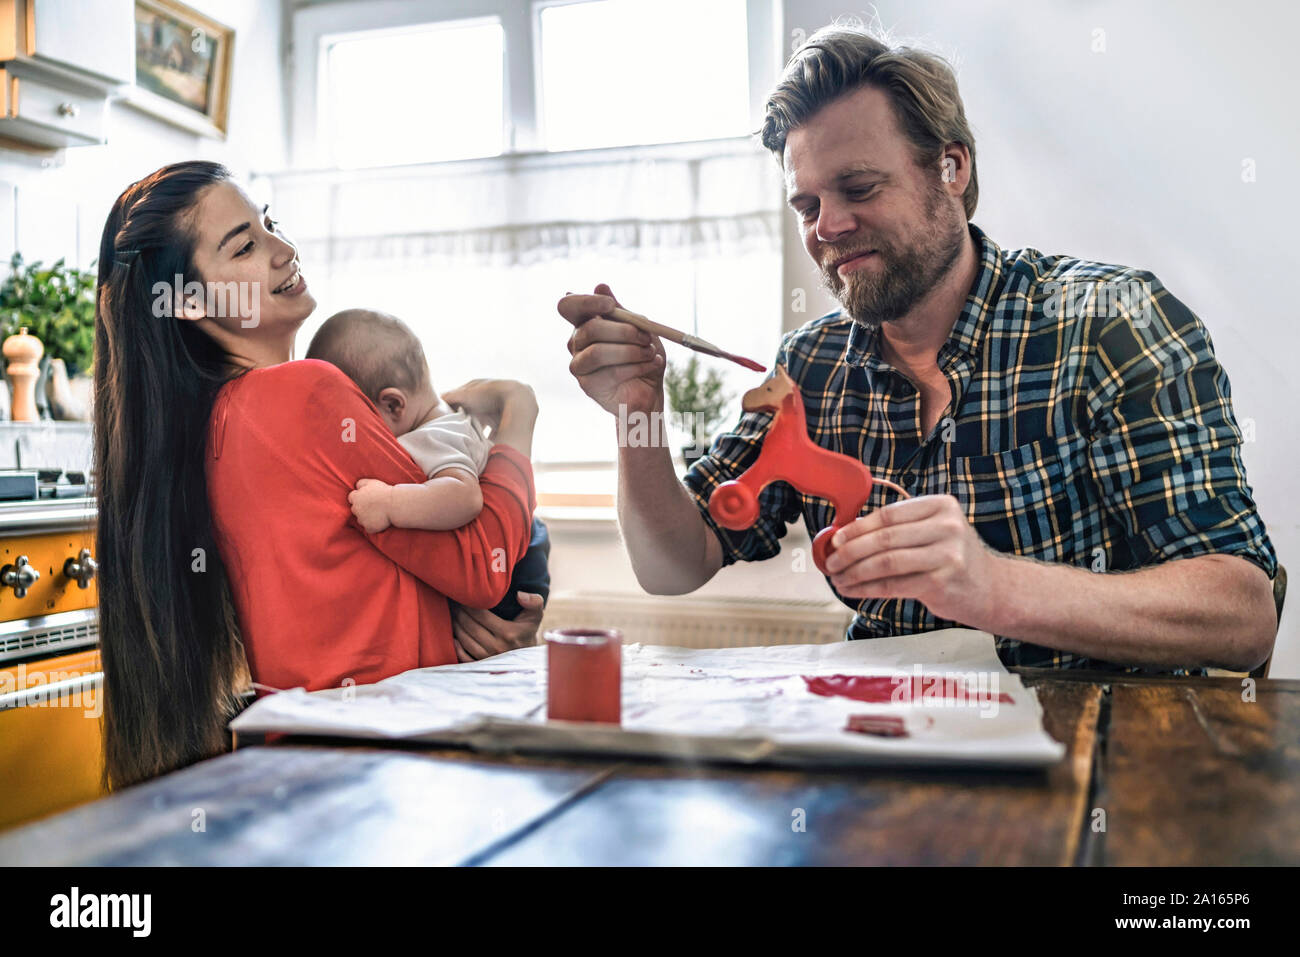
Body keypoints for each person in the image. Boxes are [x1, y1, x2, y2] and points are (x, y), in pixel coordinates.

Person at [559, 25, 1278, 673]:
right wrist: (636, 409)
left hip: (1095, 772)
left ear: (951, 168)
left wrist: (995, 587)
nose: (828, 227)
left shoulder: (1109, 322)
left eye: (859, 187)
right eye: (806, 206)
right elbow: (673, 565)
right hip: (884, 765)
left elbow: (1242, 615)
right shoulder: (810, 366)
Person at [95, 161, 546, 789]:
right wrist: (518, 415)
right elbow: (484, 562)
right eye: (246, 245)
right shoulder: (304, 394)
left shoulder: (212, 420)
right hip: (394, 753)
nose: (283, 250)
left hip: (317, 755)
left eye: (270, 224)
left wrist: (464, 623)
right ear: (191, 303)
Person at [306, 307, 550, 620]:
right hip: (526, 542)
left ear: (393, 404)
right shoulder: (449, 419)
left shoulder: (430, 438)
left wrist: (391, 502)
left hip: (518, 565)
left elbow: (465, 496)